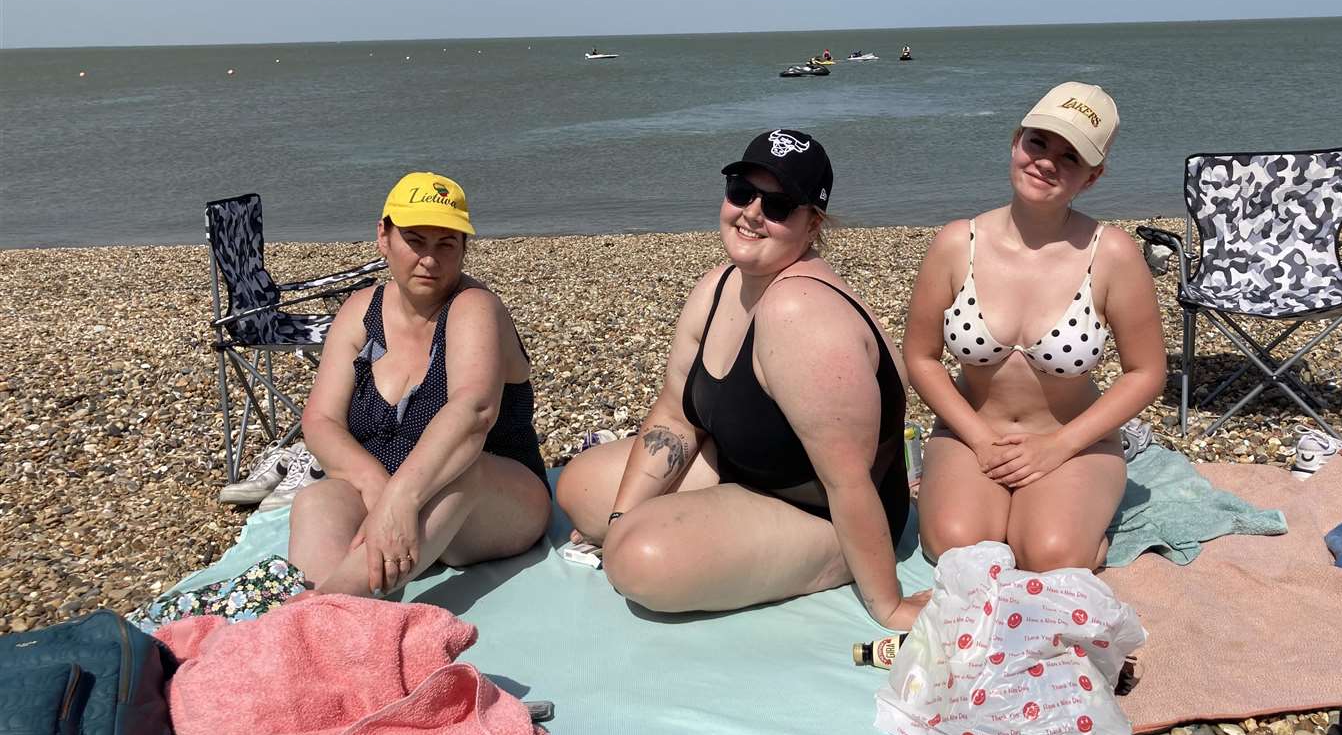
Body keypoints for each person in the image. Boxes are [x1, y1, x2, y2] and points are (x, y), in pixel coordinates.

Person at [556, 130, 928, 629]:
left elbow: (849, 480)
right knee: (582, 490)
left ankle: (836, 559)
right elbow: (673, 413)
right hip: (746, 467)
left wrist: (889, 604)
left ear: (812, 224)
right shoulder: (720, 285)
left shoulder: (801, 311)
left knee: (640, 562)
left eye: (777, 205)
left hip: (825, 510)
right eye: (741, 191)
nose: (752, 212)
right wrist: (619, 518)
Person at [902, 83, 1165, 572]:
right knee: (958, 550)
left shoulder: (1111, 254)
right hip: (972, 433)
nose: (1047, 162)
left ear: (1092, 177)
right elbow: (920, 357)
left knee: (1048, 555)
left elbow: (1146, 372)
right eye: (1038, 142)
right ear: (1015, 141)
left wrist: (1059, 447)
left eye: (1071, 157)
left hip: (1074, 440)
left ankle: (1078, 531)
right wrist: (977, 437)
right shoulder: (957, 243)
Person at [288, 172, 551, 597]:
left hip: (493, 503)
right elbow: (320, 420)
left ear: (464, 249)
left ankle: (321, 614)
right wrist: (378, 488)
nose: (429, 260)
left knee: (465, 475)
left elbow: (473, 411)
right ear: (384, 236)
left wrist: (402, 498)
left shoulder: (473, 308)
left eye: (446, 244)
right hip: (391, 493)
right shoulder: (360, 312)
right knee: (317, 501)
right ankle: (329, 619)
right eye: (415, 240)